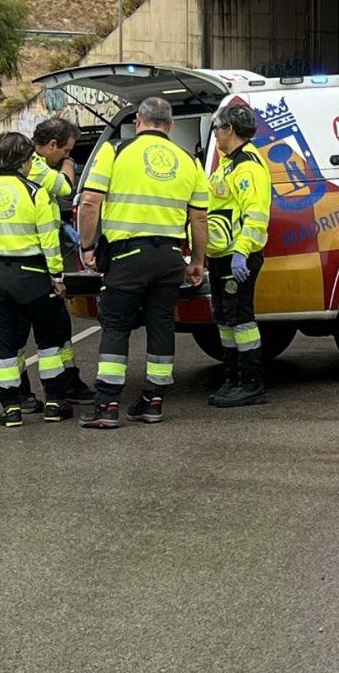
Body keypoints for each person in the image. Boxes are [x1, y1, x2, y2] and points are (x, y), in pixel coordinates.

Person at [76, 97, 209, 428]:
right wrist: (197, 261)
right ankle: (152, 402)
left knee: (117, 325)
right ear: (169, 125)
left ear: (138, 120)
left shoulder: (116, 152)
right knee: (161, 324)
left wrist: (88, 246)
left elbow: (90, 202)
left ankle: (106, 405)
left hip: (128, 256)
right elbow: (200, 219)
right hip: (169, 258)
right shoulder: (189, 161)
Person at [0, 132, 74, 427]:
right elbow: (49, 240)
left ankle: (11, 408)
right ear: (25, 162)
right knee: (49, 343)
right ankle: (54, 402)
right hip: (33, 279)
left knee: (5, 348)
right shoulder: (34, 193)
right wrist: (57, 276)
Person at [205, 102, 273, 408]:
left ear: (229, 129)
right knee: (225, 319)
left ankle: (250, 382)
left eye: (217, 128)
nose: (216, 135)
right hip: (222, 254)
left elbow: (255, 215)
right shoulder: (229, 164)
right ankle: (232, 378)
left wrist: (241, 253)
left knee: (241, 320)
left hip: (238, 256)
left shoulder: (247, 166)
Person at [26, 116, 94, 404]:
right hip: (37, 263)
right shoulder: (35, 163)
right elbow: (64, 187)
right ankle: (61, 390)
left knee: (56, 329)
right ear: (51, 145)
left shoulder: (27, 162)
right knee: (51, 331)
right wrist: (70, 166)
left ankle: (65, 382)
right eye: (65, 150)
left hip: (29, 263)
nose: (67, 156)